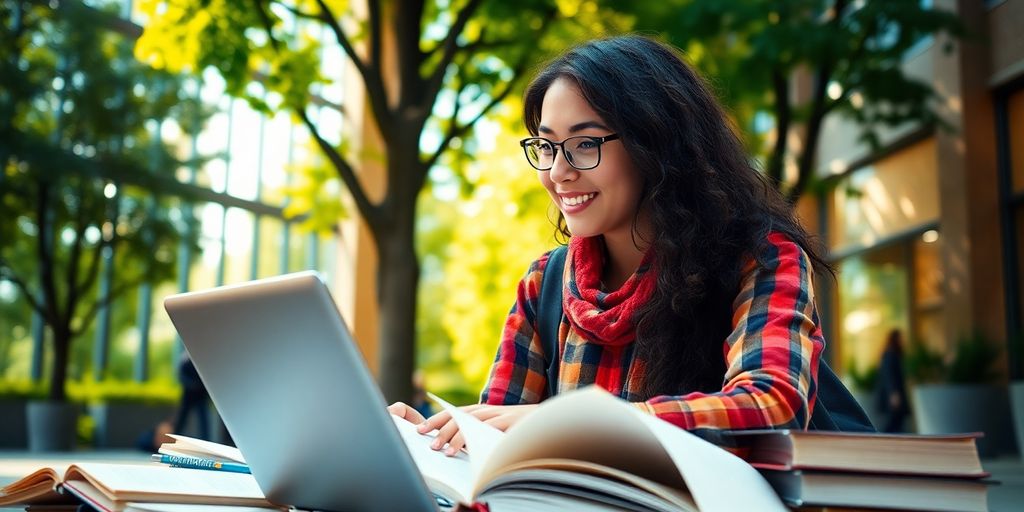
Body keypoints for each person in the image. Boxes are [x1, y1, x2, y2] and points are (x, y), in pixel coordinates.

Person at [389, 34, 834, 456]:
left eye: (584, 144)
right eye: (546, 145)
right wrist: (431, 441)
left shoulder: (759, 257)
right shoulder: (545, 284)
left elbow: (770, 406)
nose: (557, 172)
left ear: (656, 145)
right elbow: (501, 439)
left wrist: (574, 423)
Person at [875, 329, 909, 433]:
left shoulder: (892, 354)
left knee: (896, 422)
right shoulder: (890, 355)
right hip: (893, 394)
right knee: (894, 422)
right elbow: (889, 376)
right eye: (899, 338)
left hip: (894, 393)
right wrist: (894, 393)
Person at [173, 351, 210, 440]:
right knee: (182, 418)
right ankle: (174, 437)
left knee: (203, 419)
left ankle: (206, 440)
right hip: (188, 395)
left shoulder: (202, 361)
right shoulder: (185, 359)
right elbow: (181, 376)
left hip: (200, 395)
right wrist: (191, 384)